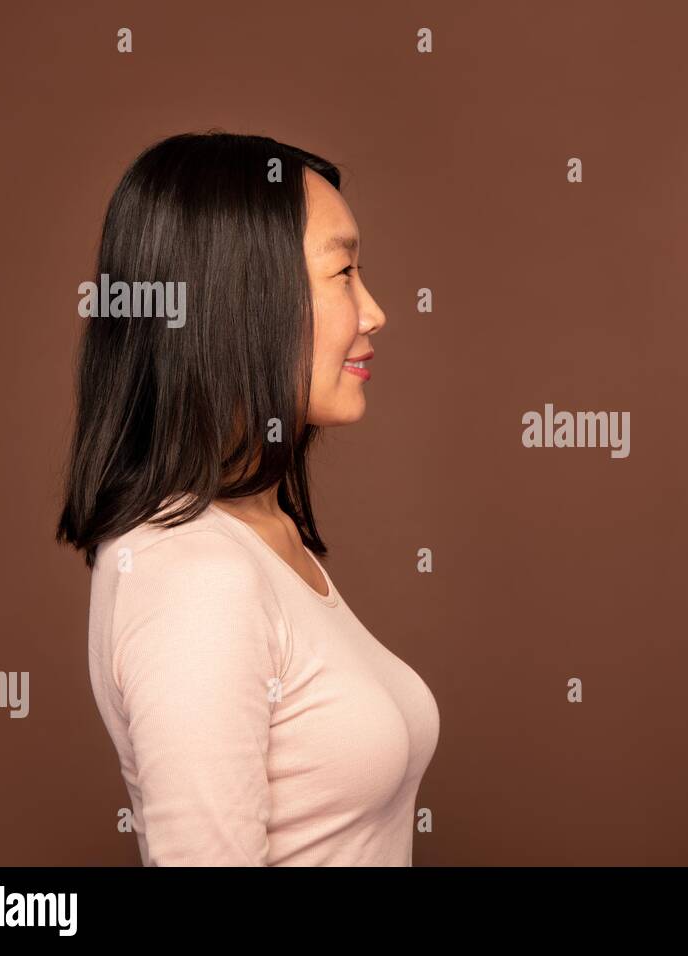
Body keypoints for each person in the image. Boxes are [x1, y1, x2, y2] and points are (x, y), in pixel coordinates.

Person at [57, 132, 439, 865]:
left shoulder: (262, 532)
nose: (374, 311)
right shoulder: (189, 573)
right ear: (241, 301)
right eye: (345, 272)